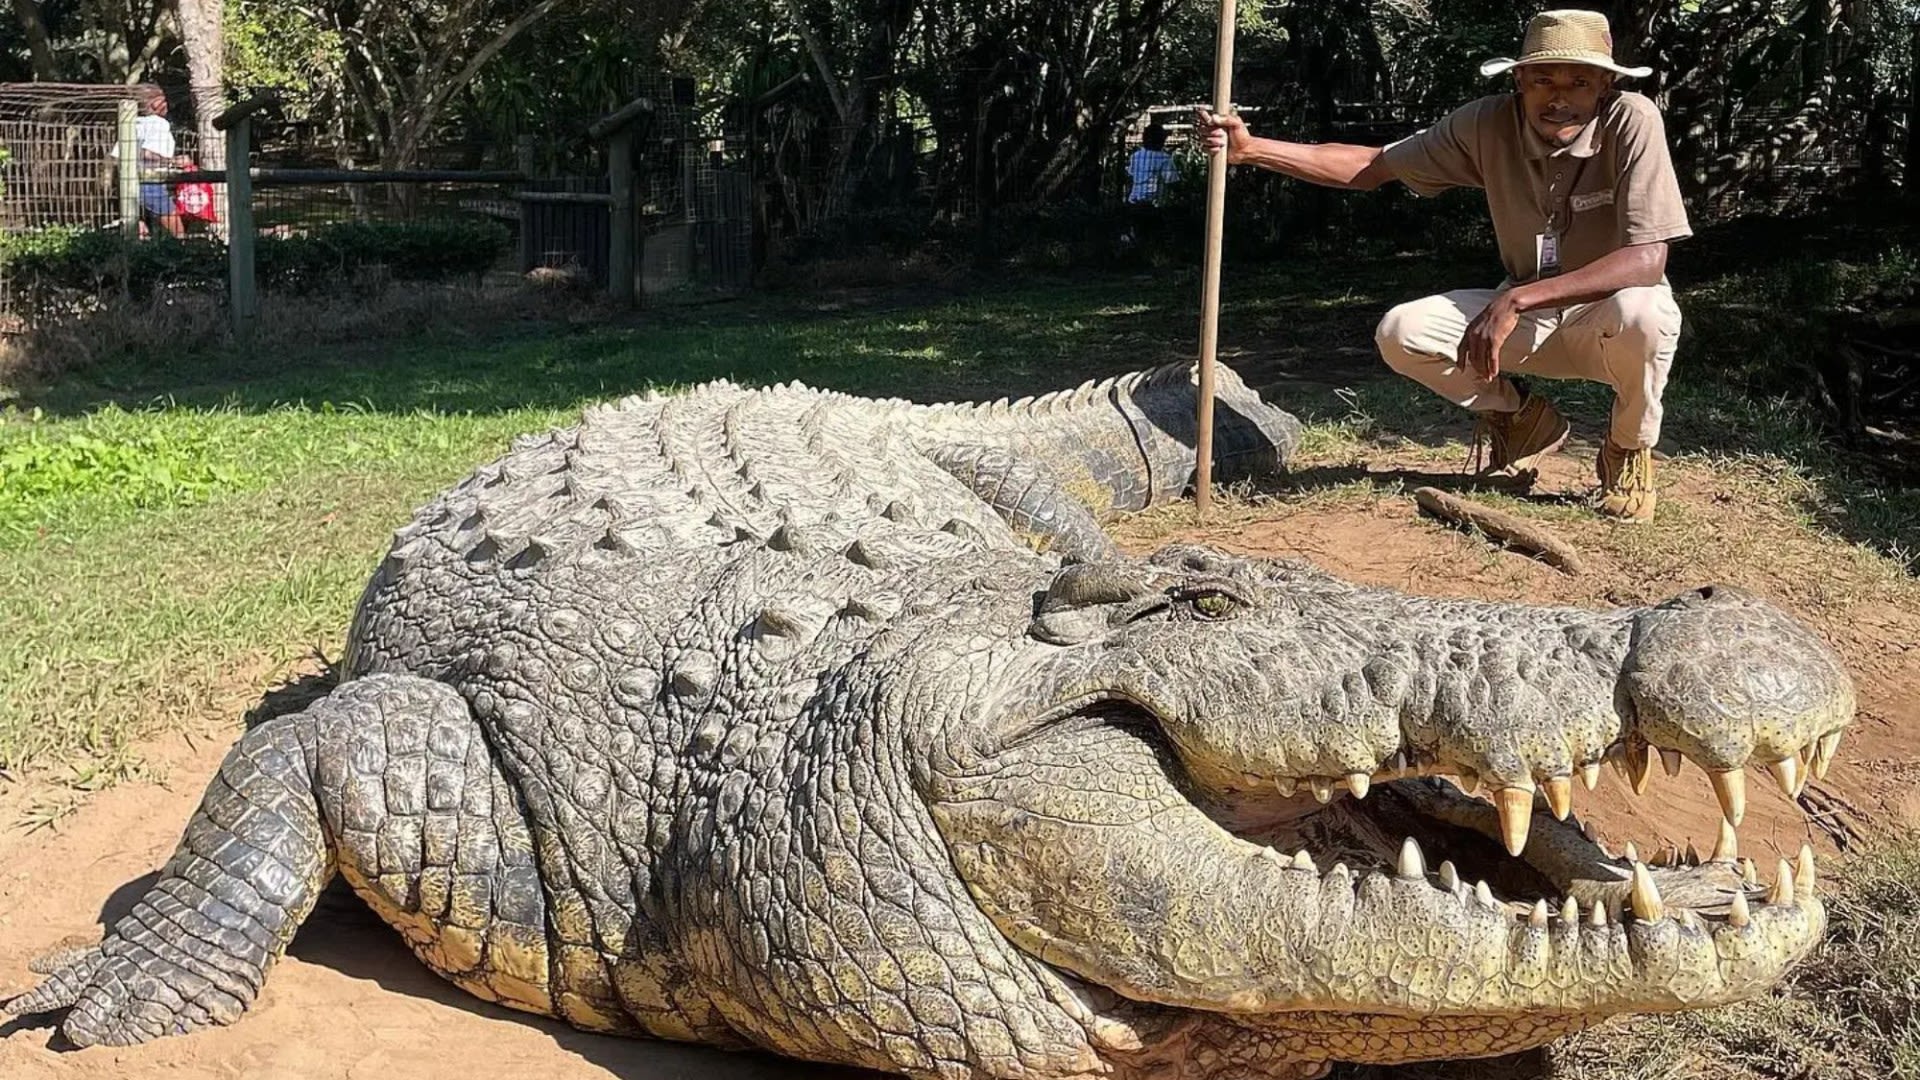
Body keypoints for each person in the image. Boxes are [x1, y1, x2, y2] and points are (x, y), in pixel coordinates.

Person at [1196, 9, 1690, 522]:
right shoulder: (1485, 123)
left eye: (1580, 82)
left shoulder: (1632, 119)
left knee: (1646, 315)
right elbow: (1371, 167)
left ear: (1605, 85)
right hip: (1526, 315)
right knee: (1401, 331)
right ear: (1519, 79)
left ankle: (1628, 450)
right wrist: (1252, 150)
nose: (1559, 97)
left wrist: (1516, 298)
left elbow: (1647, 260)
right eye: (1542, 79)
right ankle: (1519, 418)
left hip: (1603, 318)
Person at [131, 84, 192, 239]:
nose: (167, 104)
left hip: (132, 183)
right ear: (154, 103)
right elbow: (145, 153)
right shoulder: (158, 124)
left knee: (147, 234)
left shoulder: (133, 123)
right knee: (176, 229)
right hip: (152, 182)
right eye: (163, 99)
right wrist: (172, 161)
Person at [1126, 120, 1179, 205]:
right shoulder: (1164, 158)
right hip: (1154, 204)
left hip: (1133, 201)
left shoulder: (1136, 156)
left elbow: (1130, 178)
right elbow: (1171, 182)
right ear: (1161, 140)